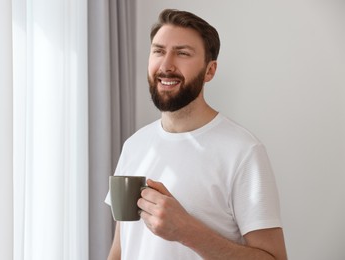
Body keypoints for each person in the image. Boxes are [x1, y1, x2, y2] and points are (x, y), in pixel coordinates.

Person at [106, 9, 287, 260]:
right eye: (158, 51)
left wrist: (187, 231)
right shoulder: (134, 145)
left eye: (182, 53)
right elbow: (121, 249)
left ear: (210, 71)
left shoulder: (243, 151)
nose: (166, 65)